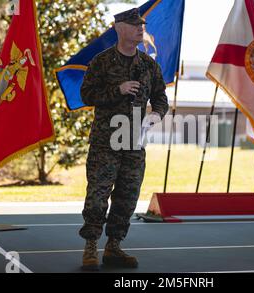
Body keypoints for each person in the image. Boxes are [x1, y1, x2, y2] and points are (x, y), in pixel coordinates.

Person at [79, 7, 169, 271]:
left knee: (127, 198)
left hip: (134, 142)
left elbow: (160, 99)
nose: (140, 28)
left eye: (141, 24)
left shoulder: (149, 65)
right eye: (134, 25)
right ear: (119, 28)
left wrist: (155, 117)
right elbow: (86, 95)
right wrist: (116, 90)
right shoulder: (102, 62)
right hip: (105, 143)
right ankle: (90, 246)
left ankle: (114, 247)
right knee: (97, 196)